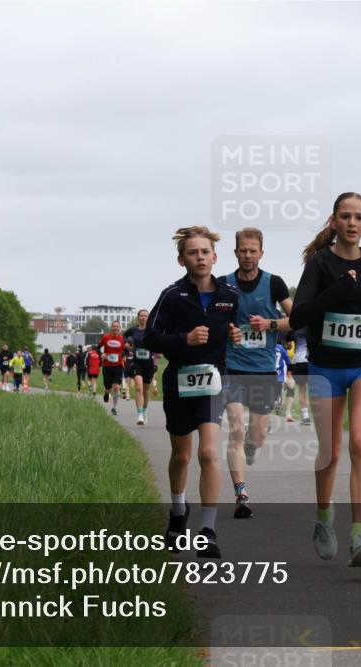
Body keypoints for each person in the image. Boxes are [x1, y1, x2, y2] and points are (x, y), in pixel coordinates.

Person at [289, 192, 361, 568]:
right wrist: (335, 291)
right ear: (334, 221)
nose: (352, 223)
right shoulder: (319, 264)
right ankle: (323, 520)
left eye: (359, 217)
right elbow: (300, 313)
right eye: (345, 216)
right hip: (325, 367)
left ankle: (359, 536)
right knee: (331, 451)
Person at [144, 226, 242, 558]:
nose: (199, 257)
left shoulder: (229, 296)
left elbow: (233, 327)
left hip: (213, 382)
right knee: (182, 455)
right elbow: (150, 337)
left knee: (209, 453)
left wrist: (235, 334)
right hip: (179, 384)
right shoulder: (172, 295)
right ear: (181, 259)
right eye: (192, 253)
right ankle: (177, 510)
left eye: (205, 252)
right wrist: (183, 340)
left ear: (215, 257)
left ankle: (209, 530)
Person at [220, 228, 294, 519]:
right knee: (236, 428)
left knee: (257, 435)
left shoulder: (274, 283)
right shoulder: (223, 285)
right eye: (243, 250)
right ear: (236, 252)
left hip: (263, 369)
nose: (248, 255)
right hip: (232, 367)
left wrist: (271, 325)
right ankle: (241, 494)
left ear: (261, 253)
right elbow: (210, 317)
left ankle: (253, 445)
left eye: (253, 251)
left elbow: (296, 317)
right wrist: (227, 329)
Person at [124, 309, 156, 425]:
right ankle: (140, 415)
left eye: (145, 316)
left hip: (148, 363)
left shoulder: (152, 329)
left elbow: (159, 339)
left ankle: (145, 410)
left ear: (148, 317)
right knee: (138, 388)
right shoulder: (133, 330)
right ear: (138, 317)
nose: (143, 317)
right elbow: (124, 335)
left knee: (146, 391)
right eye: (141, 315)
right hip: (137, 362)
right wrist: (126, 342)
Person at [98, 321, 127, 415]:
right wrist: (102, 354)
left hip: (118, 365)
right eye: (114, 326)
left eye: (117, 326)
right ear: (111, 327)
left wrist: (124, 356)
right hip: (107, 365)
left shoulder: (123, 338)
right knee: (108, 387)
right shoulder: (106, 337)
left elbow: (127, 350)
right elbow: (97, 348)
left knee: (116, 387)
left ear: (120, 328)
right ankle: (106, 393)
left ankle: (114, 408)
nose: (115, 328)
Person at [286, 328, 311, 425]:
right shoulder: (315, 324)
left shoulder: (295, 326)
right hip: (313, 359)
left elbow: (289, 344)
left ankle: (306, 417)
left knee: (302, 390)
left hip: (299, 360)